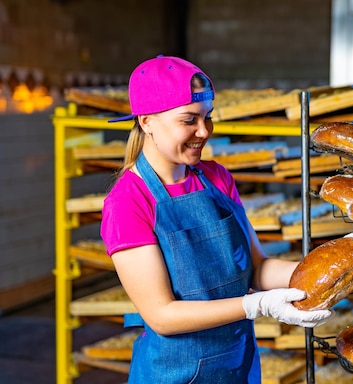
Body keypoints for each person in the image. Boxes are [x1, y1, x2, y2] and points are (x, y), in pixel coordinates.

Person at [101, 55, 333, 384]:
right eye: (188, 120)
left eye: (207, 117)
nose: (204, 131)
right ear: (147, 121)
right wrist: (256, 305)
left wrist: (329, 272)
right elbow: (161, 315)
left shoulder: (216, 178)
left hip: (237, 365)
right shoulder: (128, 200)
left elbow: (257, 267)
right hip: (172, 372)